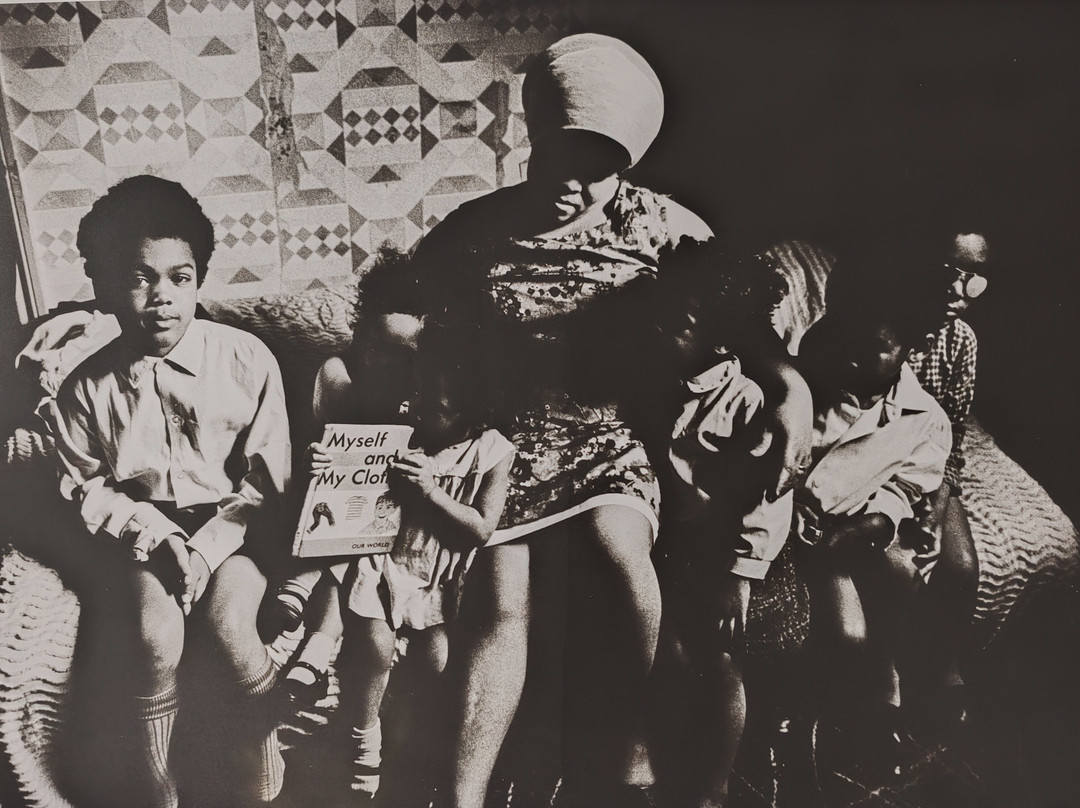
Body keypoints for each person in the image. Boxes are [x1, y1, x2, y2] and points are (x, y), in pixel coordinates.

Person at [411, 34, 812, 808]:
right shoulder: (473, 232)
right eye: (560, 158)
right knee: (499, 593)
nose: (575, 183)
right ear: (533, 136)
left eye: (599, 167)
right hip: (502, 441)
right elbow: (404, 331)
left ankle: (611, 760)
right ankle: (462, 798)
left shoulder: (663, 227)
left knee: (619, 554)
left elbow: (747, 328)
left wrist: (792, 390)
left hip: (613, 439)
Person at [50, 175, 291, 806]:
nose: (162, 297)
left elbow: (266, 482)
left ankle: (265, 763)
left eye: (180, 278)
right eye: (140, 278)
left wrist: (205, 551)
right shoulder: (85, 388)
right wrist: (157, 537)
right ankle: (160, 789)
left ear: (198, 279)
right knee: (153, 636)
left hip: (234, 527)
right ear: (105, 286)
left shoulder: (247, 359)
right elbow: (86, 488)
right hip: (143, 532)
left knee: (231, 624)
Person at [636, 241, 795, 808]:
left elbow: (765, 501)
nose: (663, 328)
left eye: (681, 322)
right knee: (665, 652)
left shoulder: (745, 401)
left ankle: (714, 786)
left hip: (720, 545)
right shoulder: (653, 378)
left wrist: (738, 575)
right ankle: (667, 769)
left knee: (720, 660)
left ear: (722, 340)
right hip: (665, 539)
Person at [331, 320, 515, 801]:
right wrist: (328, 464)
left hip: (437, 579)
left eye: (436, 405)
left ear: (473, 412)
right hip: (385, 562)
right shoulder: (402, 429)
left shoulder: (494, 451)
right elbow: (349, 471)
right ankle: (363, 738)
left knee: (437, 664)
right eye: (417, 394)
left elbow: (481, 528)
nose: (417, 409)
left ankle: (412, 758)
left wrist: (431, 492)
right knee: (374, 645)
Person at [791, 243, 952, 780]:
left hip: (857, 528)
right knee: (847, 632)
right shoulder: (806, 383)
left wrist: (879, 519)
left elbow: (912, 483)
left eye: (876, 347)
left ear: (911, 347)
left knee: (902, 573)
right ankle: (814, 721)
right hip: (799, 530)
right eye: (845, 337)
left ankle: (883, 696)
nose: (854, 357)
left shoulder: (925, 418)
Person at [272, 246, 428, 704]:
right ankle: (303, 600)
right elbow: (333, 432)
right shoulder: (338, 371)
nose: (384, 363)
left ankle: (315, 650)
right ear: (360, 335)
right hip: (341, 499)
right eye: (375, 348)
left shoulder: (429, 389)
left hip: (398, 511)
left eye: (403, 355)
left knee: (363, 555)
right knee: (341, 530)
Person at [902, 230, 986, 733]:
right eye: (949, 272)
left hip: (929, 465)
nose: (959, 289)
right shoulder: (889, 328)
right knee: (902, 566)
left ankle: (938, 671)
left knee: (961, 567)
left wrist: (936, 508)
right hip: (879, 462)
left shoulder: (962, 341)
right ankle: (889, 678)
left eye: (973, 277)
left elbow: (953, 437)